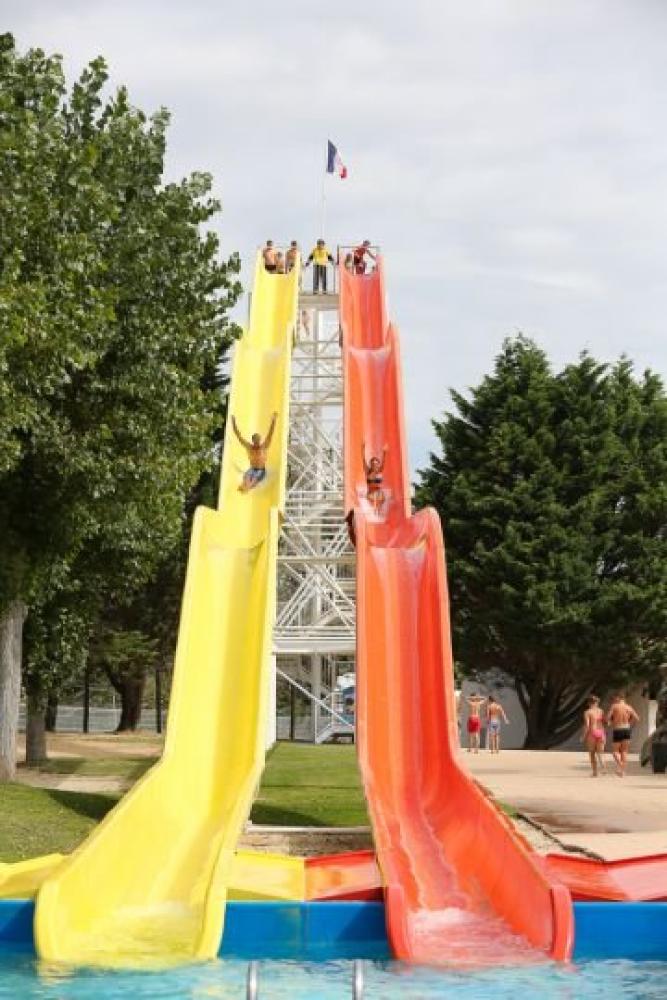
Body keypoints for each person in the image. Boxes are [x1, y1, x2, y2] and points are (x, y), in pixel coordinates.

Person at [231, 412, 278, 492]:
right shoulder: (249, 447)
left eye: (258, 440)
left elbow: (270, 433)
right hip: (252, 469)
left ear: (260, 440)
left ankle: (248, 487)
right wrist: (233, 423)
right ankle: (245, 485)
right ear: (253, 441)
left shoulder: (263, 447)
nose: (257, 442)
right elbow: (239, 436)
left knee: (253, 480)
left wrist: (274, 420)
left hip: (261, 470)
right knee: (246, 477)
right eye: (255, 440)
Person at [606, 693, 639, 777]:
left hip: (618, 729)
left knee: (615, 751)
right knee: (624, 751)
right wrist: (629, 723)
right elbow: (637, 718)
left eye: (615, 698)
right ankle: (622, 772)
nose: (614, 700)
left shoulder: (614, 706)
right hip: (627, 729)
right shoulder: (629, 707)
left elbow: (608, 718)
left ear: (618, 698)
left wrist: (610, 722)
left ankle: (620, 765)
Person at [582, 695, 607, 777]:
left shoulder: (587, 712)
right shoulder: (601, 711)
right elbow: (604, 721)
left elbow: (587, 725)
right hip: (601, 732)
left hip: (592, 733)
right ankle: (603, 767)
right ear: (597, 702)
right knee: (601, 753)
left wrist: (583, 736)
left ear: (589, 703)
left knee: (592, 753)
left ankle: (595, 772)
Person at [362, 442, 388, 514]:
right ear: (371, 464)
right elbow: (363, 460)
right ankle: (374, 508)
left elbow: (384, 462)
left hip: (378, 492)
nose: (374, 465)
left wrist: (384, 452)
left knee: (382, 497)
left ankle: (377, 508)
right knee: (372, 498)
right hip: (370, 493)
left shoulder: (380, 470)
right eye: (373, 463)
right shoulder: (368, 471)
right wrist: (363, 449)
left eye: (376, 463)